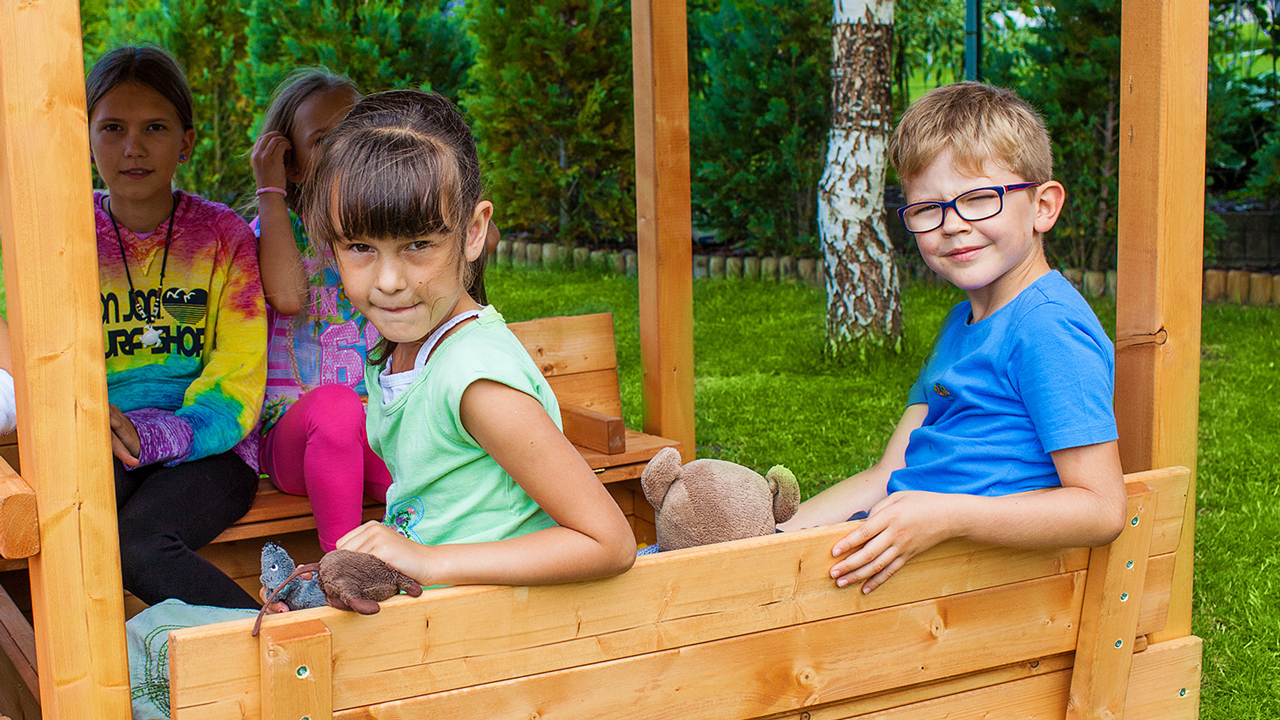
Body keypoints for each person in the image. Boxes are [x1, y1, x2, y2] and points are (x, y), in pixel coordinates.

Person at [779, 82, 1127, 594]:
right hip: (898, 550)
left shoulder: (1048, 328)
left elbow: (1102, 508)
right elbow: (887, 472)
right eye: (928, 208)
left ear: (1043, 206)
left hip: (957, 584)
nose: (953, 225)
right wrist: (773, 538)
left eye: (981, 199)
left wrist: (946, 516)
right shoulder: (958, 322)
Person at [302, 89, 635, 588]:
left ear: (474, 231)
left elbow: (608, 542)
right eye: (360, 247)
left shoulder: (473, 380)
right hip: (442, 609)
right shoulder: (402, 352)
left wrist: (432, 562)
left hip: (499, 626)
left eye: (418, 244)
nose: (389, 280)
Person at [87, 46, 267, 609]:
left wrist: (163, 435)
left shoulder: (222, 236)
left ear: (185, 142)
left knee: (137, 544)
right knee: (74, 531)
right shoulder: (67, 237)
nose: (133, 147)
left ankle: (280, 639)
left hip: (215, 448)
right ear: (84, 137)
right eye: (112, 127)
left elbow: (239, 371)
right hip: (101, 443)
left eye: (155, 127)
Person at [249, 69, 393, 553]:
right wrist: (270, 192)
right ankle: (343, 565)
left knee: (422, 476)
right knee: (336, 408)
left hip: (378, 428)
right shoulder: (277, 228)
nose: (344, 149)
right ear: (290, 163)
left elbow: (477, 241)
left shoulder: (382, 231)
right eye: (323, 140)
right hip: (296, 436)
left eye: (356, 132)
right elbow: (289, 297)